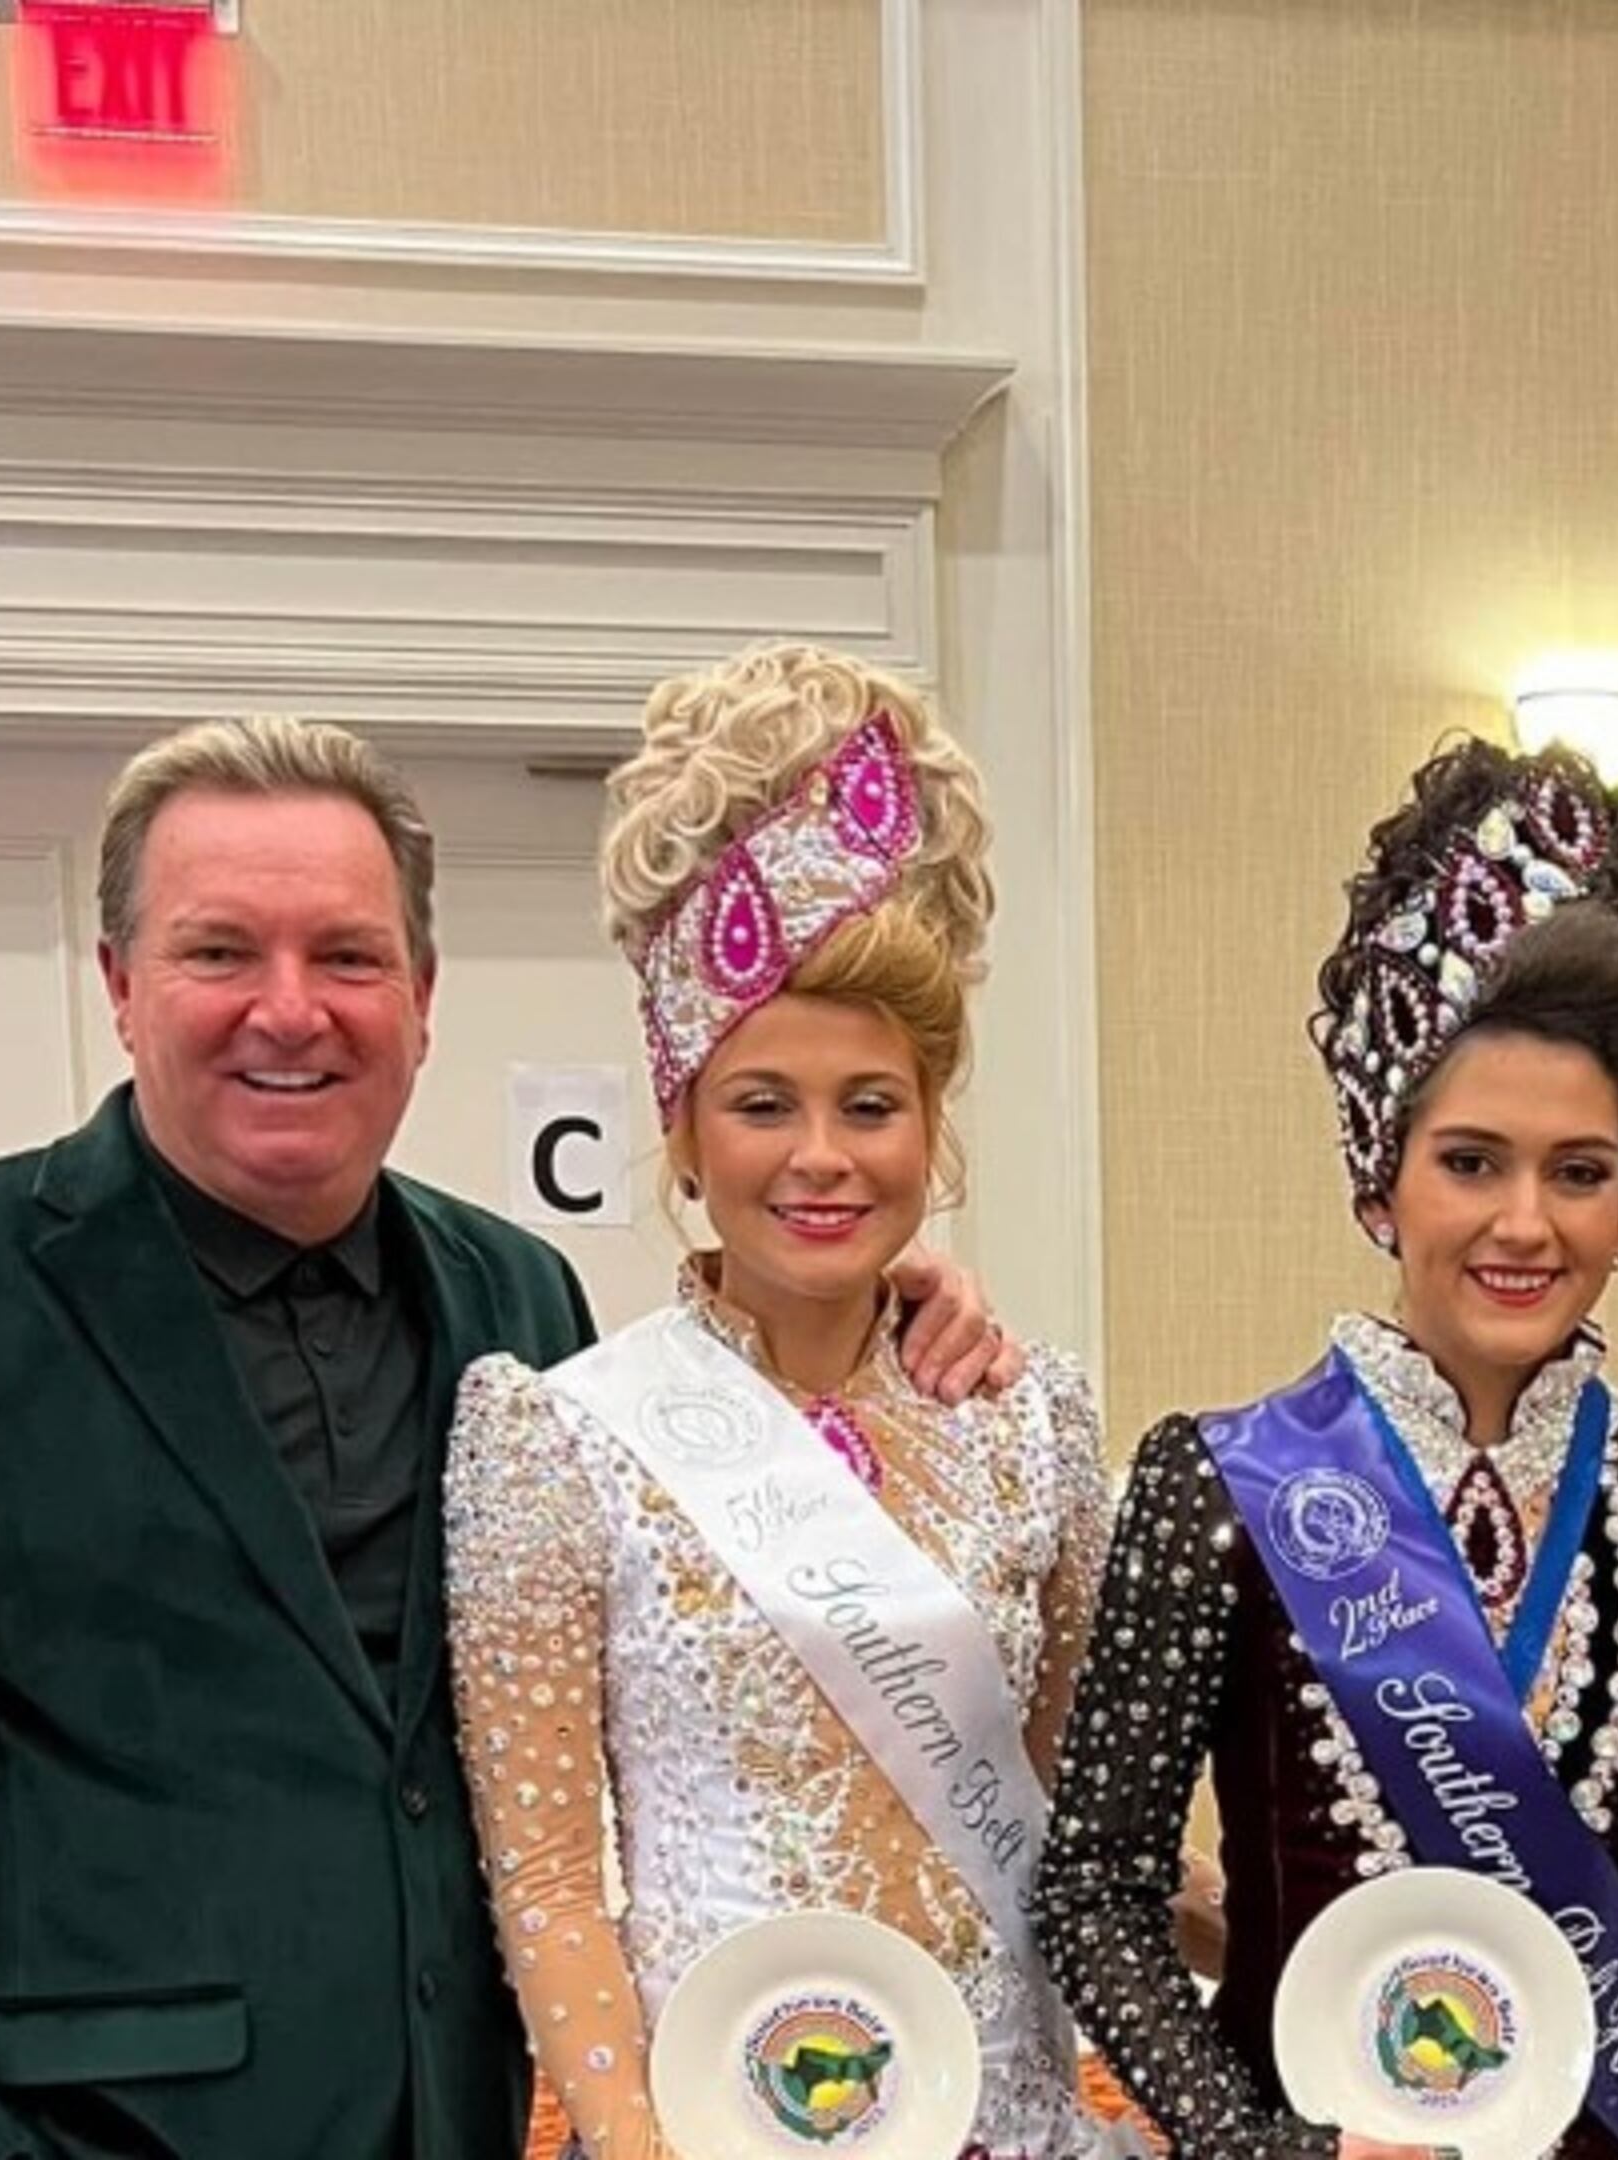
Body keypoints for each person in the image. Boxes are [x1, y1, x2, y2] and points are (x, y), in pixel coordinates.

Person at [0, 713, 1004, 2160]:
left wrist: (882, 1302)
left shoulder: (517, 1295)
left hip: (445, 2114)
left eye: (346, 956)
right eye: (220, 952)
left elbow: (681, 1526)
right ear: (120, 986)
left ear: (422, 995)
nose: (291, 1008)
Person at [1037, 740, 1618, 2160]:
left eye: (1579, 1172)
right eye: (1471, 1161)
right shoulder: (1216, 1485)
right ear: (1380, 1176)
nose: (1524, 1224)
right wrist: (1263, 2151)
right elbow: (1094, 1890)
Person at [441, 643, 1115, 2160]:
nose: (823, 1156)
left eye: (871, 1106)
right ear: (681, 1134)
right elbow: (546, 1881)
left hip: (1010, 2119)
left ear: (932, 1128)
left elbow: (1075, 1820)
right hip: (712, 2125)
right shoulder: (556, 1439)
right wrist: (635, 2138)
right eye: (763, 1104)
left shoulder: (1034, 1421)